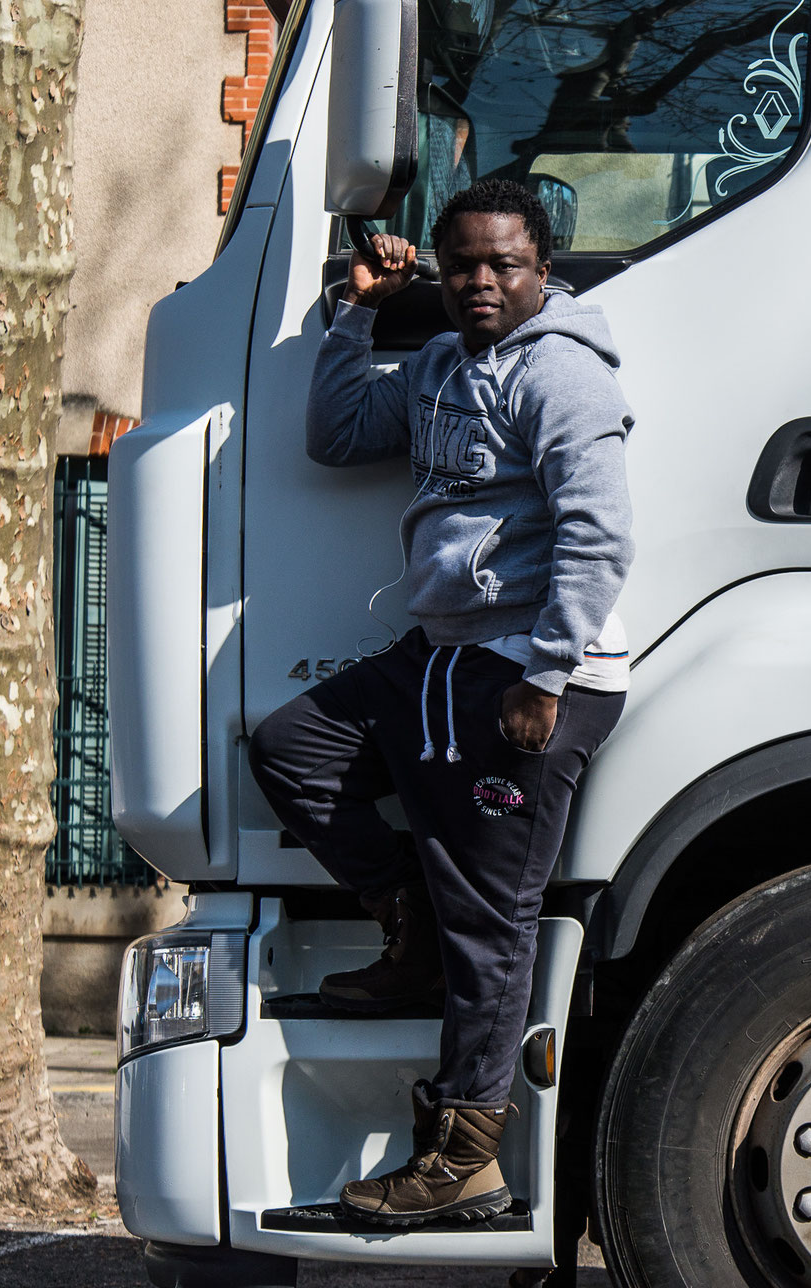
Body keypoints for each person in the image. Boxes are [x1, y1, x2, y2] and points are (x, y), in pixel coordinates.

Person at [249, 179, 633, 1226]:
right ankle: (407, 923)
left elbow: (599, 537)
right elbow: (334, 435)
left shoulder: (560, 375)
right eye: (461, 262)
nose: (478, 281)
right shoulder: (437, 364)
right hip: (442, 653)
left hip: (523, 670)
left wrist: (543, 676)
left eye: (502, 264)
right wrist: (361, 308)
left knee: (491, 919)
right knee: (293, 747)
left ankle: (464, 1151)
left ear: (541, 271)